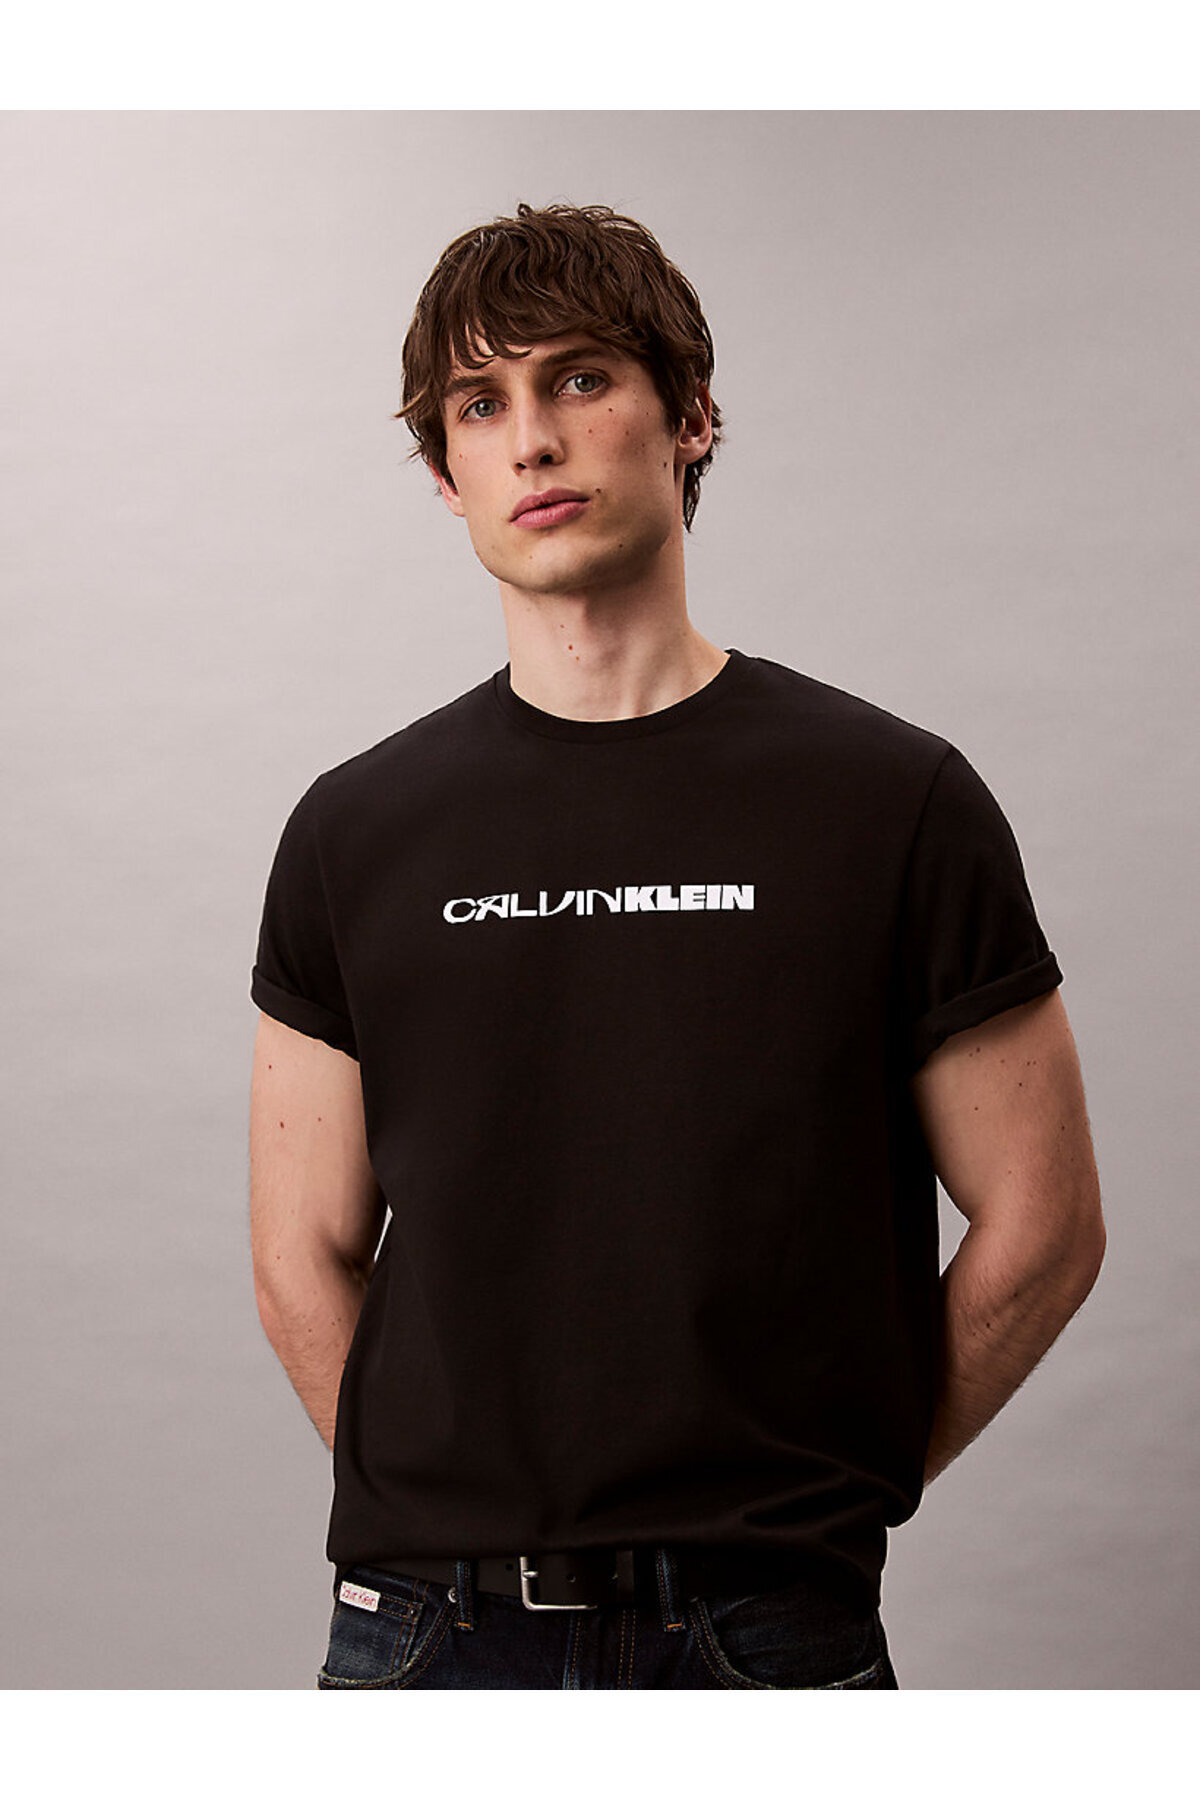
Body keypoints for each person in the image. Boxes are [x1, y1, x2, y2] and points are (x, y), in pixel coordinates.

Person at [248, 202, 1106, 1690]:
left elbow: (1046, 1225)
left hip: (767, 1633)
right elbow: (300, 1253)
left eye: (579, 379)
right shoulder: (354, 831)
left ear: (691, 415)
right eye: (479, 405)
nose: (532, 439)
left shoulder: (891, 801)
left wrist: (814, 1496)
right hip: (425, 1641)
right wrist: (455, 1518)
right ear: (445, 473)